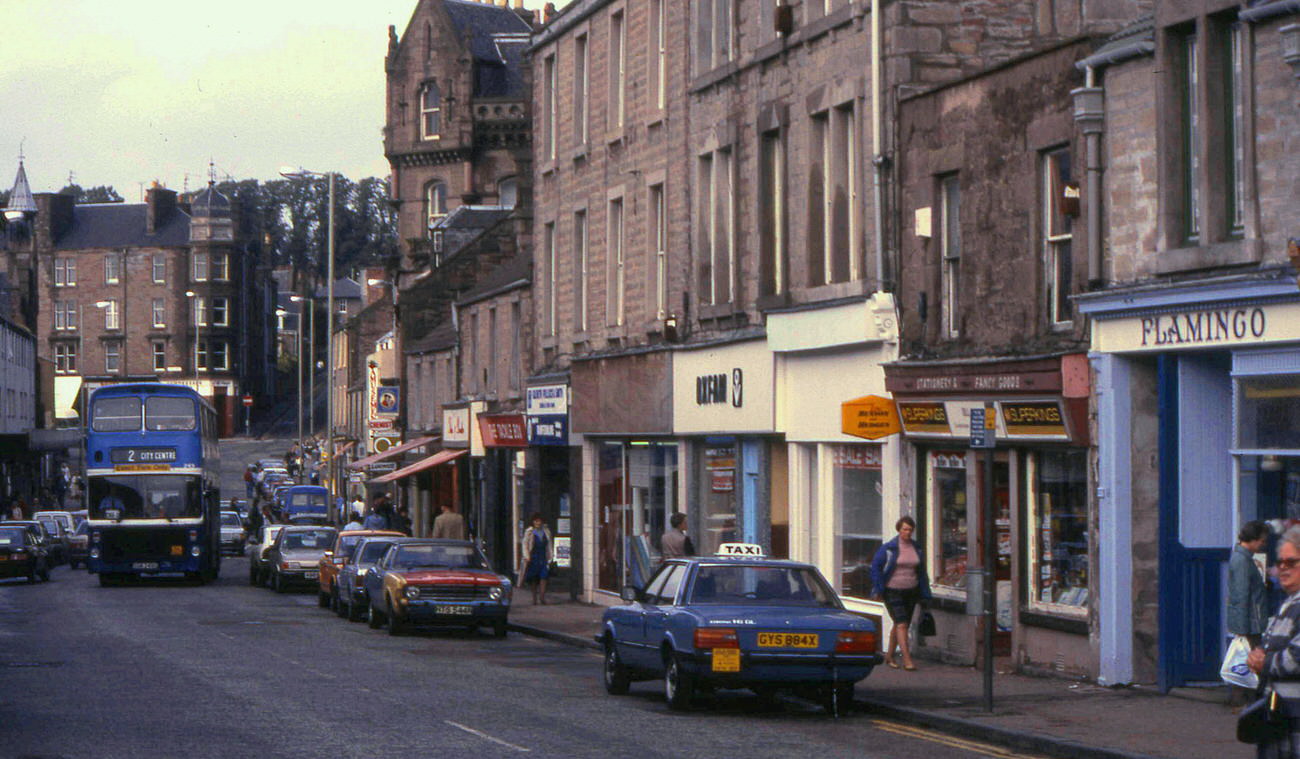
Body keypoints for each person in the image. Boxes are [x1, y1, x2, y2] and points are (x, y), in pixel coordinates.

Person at [1248, 526, 1300, 758]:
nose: (1283, 569)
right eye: (1280, 563)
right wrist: (1257, 655)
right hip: (1279, 723)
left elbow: (1295, 659)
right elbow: (1267, 644)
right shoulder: (1288, 604)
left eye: (1291, 562)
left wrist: (1264, 662)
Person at [870, 515, 932, 671]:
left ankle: (889, 656)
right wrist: (878, 588)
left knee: (900, 624)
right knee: (902, 624)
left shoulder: (916, 548)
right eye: (905, 529)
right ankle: (907, 659)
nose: (908, 532)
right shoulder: (889, 548)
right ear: (899, 530)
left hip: (911, 590)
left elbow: (922, 572)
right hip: (892, 590)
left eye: (910, 530)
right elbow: (876, 567)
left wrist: (925, 593)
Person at [1231, 521, 1272, 650]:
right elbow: (1241, 594)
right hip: (1251, 624)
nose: (1263, 545)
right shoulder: (1242, 560)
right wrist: (1242, 628)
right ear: (1252, 539)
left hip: (1252, 622)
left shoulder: (1245, 559)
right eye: (1262, 541)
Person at [519, 512, 555, 605]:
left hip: (543, 557)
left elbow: (549, 544)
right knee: (534, 578)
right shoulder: (530, 532)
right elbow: (525, 544)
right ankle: (534, 598)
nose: (538, 523)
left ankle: (542, 597)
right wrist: (527, 556)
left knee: (544, 576)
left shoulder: (546, 532)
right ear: (533, 522)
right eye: (536, 521)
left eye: (539, 521)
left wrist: (551, 556)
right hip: (533, 557)